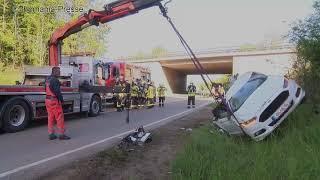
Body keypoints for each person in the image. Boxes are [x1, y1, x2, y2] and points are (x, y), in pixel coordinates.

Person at [45, 67, 70, 140]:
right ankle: (62, 134)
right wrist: (61, 100)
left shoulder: (47, 79)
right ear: (54, 72)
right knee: (59, 117)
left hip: (47, 100)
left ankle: (51, 134)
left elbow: (46, 88)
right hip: (54, 101)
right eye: (58, 72)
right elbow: (57, 92)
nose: (59, 73)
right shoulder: (55, 80)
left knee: (50, 117)